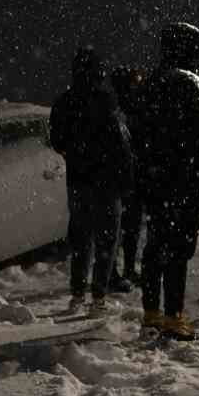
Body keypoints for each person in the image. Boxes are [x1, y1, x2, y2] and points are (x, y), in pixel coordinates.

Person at [134, 22, 199, 340]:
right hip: (183, 182)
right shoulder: (189, 82)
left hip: (157, 182)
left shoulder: (152, 81)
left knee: (156, 246)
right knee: (179, 249)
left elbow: (140, 134)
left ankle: (151, 312)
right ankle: (174, 316)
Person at [49, 46, 134, 313]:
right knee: (106, 241)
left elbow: (57, 140)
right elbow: (120, 144)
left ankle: (77, 294)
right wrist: (125, 178)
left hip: (78, 181)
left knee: (81, 240)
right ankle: (98, 297)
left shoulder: (64, 102)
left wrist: (76, 153)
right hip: (106, 183)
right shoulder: (106, 101)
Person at [108, 65, 149, 293]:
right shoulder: (116, 109)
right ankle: (114, 272)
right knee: (119, 229)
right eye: (136, 82)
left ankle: (126, 269)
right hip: (123, 177)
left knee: (129, 227)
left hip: (132, 176)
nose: (139, 86)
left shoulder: (133, 107)